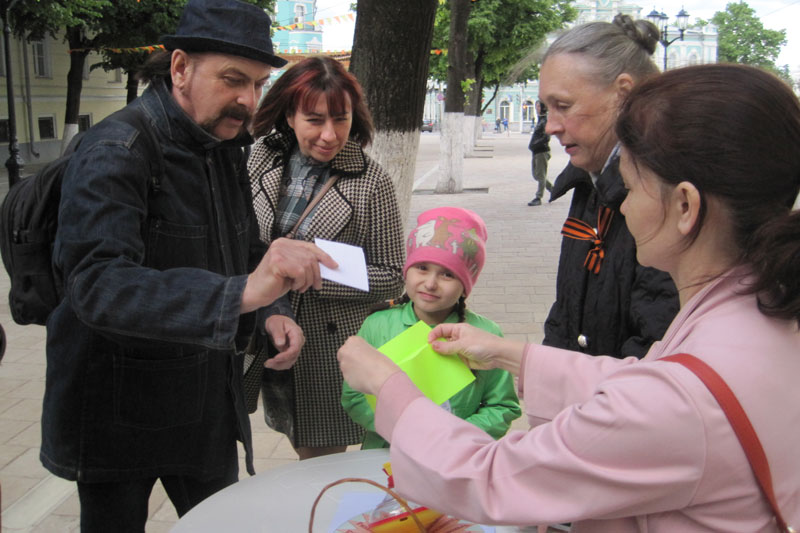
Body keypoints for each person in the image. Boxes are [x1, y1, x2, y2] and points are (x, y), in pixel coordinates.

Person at [338, 63, 800, 531]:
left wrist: (387, 384)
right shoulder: (756, 318)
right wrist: (509, 355)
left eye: (630, 187)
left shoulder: (683, 401)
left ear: (685, 205)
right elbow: (645, 382)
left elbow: (492, 478)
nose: (622, 205)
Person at [40, 1, 336, 530]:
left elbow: (245, 250)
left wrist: (272, 309)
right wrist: (243, 294)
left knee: (223, 524)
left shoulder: (223, 146)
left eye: (258, 84)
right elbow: (98, 285)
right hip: (114, 412)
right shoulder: (116, 148)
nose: (248, 100)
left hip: (203, 404)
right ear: (180, 68)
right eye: (232, 79)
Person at [248, 56, 405, 460]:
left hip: (328, 345)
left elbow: (393, 275)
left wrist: (310, 271)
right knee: (292, 435)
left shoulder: (371, 181)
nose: (329, 134)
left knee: (322, 458)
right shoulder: (261, 158)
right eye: (314, 120)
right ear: (289, 116)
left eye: (341, 118)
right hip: (269, 329)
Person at [541, 14, 679, 358]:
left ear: (623, 94)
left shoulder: (665, 194)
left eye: (563, 106)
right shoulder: (589, 180)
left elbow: (655, 345)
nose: (550, 126)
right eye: (546, 108)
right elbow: (567, 309)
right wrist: (546, 369)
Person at [341, 207, 521, 448]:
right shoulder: (376, 325)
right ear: (407, 271)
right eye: (422, 268)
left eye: (447, 274)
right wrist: (402, 428)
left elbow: (502, 406)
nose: (430, 284)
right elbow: (354, 394)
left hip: (455, 455)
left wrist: (451, 436)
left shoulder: (486, 335)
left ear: (465, 286)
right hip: (386, 455)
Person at [527, 100, 552, 207]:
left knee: (541, 175)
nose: (536, 108)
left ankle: (538, 197)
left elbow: (546, 137)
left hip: (542, 151)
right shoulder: (540, 119)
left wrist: (535, 144)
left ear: (543, 107)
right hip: (536, 151)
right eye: (536, 106)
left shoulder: (545, 120)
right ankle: (553, 189)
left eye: (538, 106)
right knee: (536, 175)